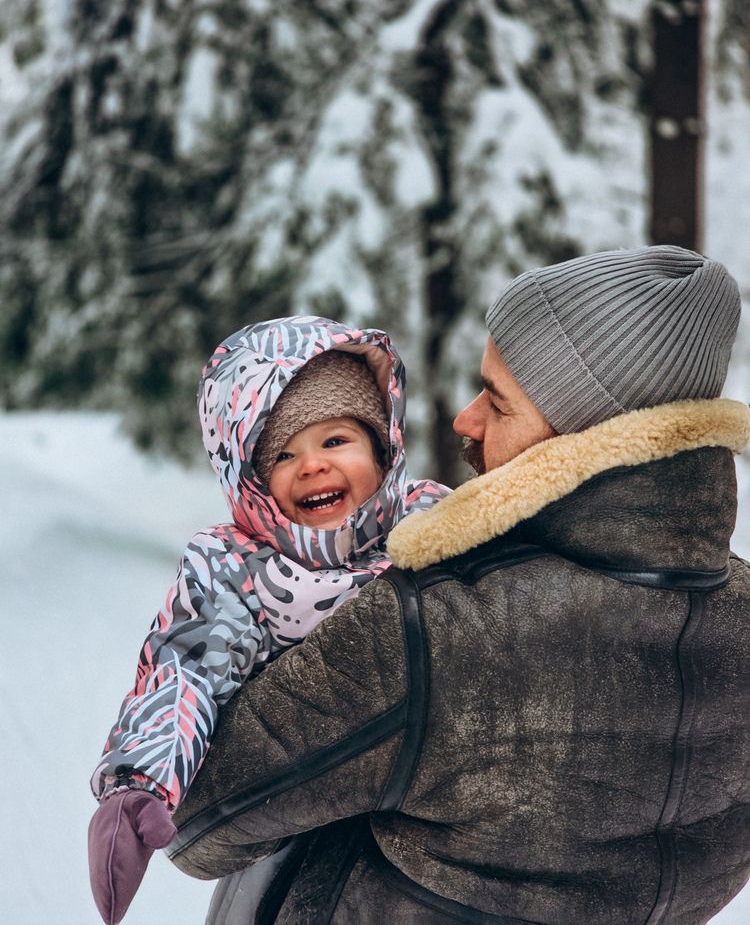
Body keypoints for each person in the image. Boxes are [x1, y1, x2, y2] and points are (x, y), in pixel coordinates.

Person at [164, 246, 750, 924]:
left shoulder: (440, 626)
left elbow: (199, 819)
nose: (464, 420)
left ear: (584, 433)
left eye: (498, 402)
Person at [87, 315, 448, 925]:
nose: (312, 465)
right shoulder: (235, 568)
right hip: (291, 840)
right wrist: (137, 782)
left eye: (335, 441)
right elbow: (183, 670)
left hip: (424, 823)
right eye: (282, 453)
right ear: (249, 481)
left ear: (382, 448)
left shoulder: (434, 523)